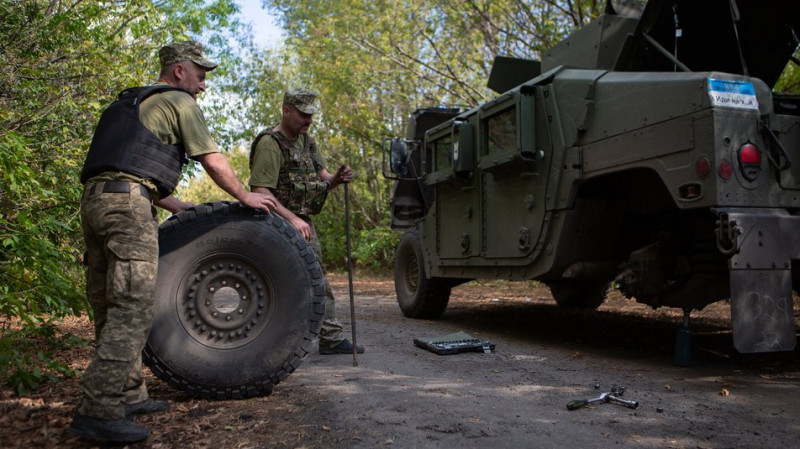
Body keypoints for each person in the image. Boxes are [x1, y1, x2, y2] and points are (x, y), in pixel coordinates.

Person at [70, 41, 276, 443]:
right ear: (179, 71)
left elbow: (124, 166)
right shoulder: (179, 102)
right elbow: (211, 159)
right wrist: (244, 195)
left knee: (109, 304)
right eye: (200, 75)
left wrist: (171, 203)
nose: (203, 85)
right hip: (127, 210)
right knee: (132, 306)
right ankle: (98, 407)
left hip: (96, 203)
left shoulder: (128, 104)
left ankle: (128, 393)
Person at [249, 87, 364, 355]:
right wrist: (291, 219)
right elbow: (260, 191)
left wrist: (338, 178)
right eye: (303, 114)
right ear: (286, 110)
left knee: (316, 277)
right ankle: (268, 340)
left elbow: (324, 178)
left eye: (311, 115)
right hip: (274, 222)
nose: (308, 120)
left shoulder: (307, 142)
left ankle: (330, 338)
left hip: (302, 222)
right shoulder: (270, 143)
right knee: (280, 280)